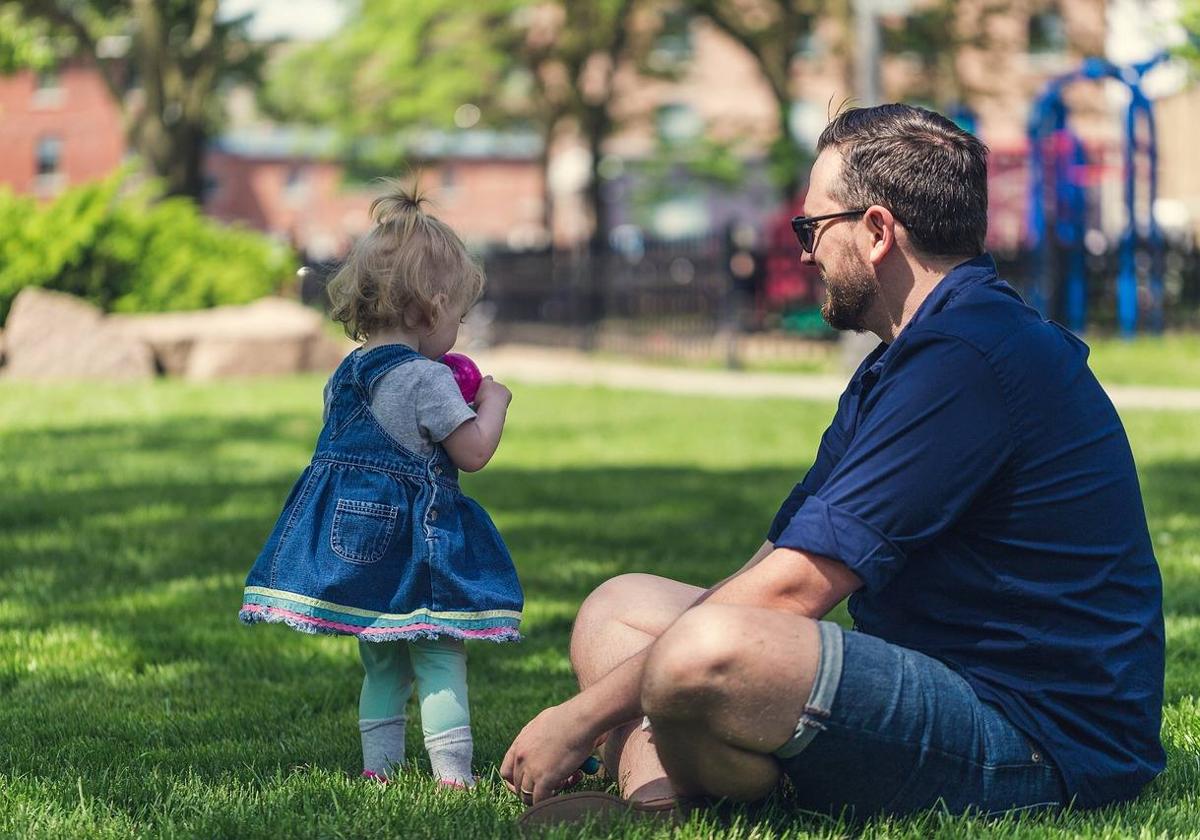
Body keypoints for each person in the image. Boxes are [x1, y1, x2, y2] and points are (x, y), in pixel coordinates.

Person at [503, 104, 1165, 825]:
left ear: (878, 230)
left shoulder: (969, 359)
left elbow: (793, 594)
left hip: (1036, 739)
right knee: (618, 613)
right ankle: (662, 804)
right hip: (941, 680)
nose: (804, 252)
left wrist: (579, 720)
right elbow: (773, 565)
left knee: (704, 652)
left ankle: (691, 772)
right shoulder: (908, 359)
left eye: (811, 229)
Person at [239, 185, 521, 788]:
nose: (459, 330)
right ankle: (452, 777)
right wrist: (493, 402)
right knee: (441, 652)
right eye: (458, 316)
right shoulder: (426, 379)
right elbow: (472, 453)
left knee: (383, 662)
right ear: (430, 307)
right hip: (415, 550)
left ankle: (381, 773)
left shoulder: (347, 373)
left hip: (355, 546)